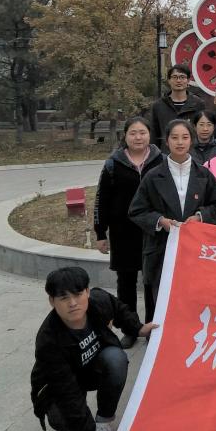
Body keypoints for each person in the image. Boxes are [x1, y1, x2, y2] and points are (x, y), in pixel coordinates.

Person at [30, 266, 157, 431]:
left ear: (87, 292)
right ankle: (73, 426)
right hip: (61, 383)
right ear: (52, 301)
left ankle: (103, 422)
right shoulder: (48, 341)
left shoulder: (98, 302)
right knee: (62, 421)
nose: (73, 303)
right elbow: (66, 391)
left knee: (116, 359)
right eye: (63, 298)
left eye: (78, 294)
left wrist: (138, 328)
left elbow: (118, 308)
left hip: (93, 368)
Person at [129, 119, 216, 322]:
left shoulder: (203, 174)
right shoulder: (153, 176)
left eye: (185, 137)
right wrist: (160, 221)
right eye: (174, 137)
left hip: (196, 249)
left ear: (191, 140)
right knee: (162, 300)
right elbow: (137, 210)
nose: (180, 142)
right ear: (167, 141)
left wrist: (200, 217)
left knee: (195, 300)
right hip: (162, 248)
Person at [92, 117, 162, 347]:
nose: (138, 137)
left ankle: (152, 326)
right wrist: (100, 233)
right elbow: (102, 200)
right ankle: (131, 329)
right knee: (126, 283)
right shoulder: (113, 164)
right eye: (133, 133)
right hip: (123, 232)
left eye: (142, 132)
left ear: (149, 135)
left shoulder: (161, 160)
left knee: (152, 281)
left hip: (152, 230)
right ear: (125, 136)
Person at [147, 64, 206, 151]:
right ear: (169, 80)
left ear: (188, 80)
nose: (178, 80)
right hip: (165, 153)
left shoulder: (198, 104)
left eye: (182, 77)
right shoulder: (158, 105)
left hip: (192, 153)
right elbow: (154, 134)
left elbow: (202, 131)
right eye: (175, 77)